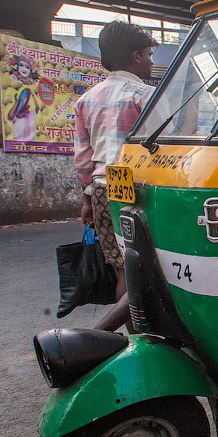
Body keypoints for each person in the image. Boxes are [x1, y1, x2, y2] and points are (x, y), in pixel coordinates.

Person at [74, 21, 156, 331]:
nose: (151, 61)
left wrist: (87, 198)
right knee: (151, 265)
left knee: (123, 268)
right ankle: (109, 333)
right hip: (139, 191)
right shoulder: (146, 96)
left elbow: (84, 159)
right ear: (136, 56)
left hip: (101, 189)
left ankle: (132, 337)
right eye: (149, 54)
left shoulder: (86, 100)